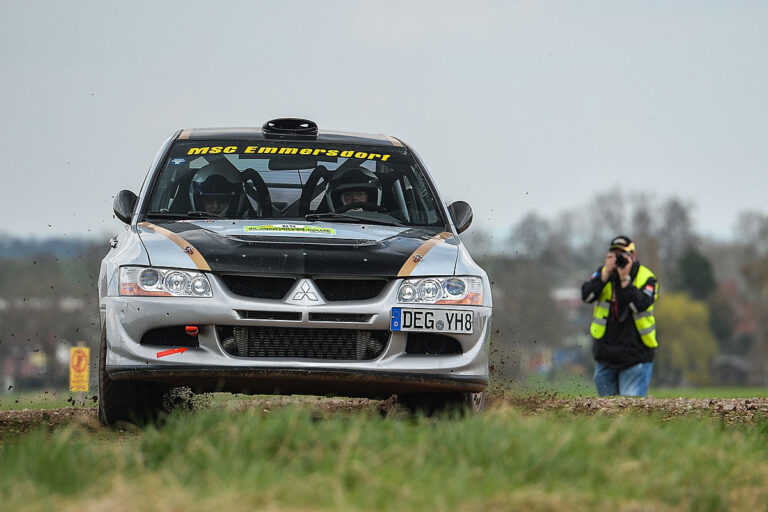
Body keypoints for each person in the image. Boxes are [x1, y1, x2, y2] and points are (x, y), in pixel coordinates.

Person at [581, 236, 659, 397]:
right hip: (606, 355)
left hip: (636, 355)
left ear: (634, 256)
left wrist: (625, 280)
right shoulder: (604, 273)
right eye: (614, 254)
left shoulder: (647, 277)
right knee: (606, 412)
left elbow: (640, 305)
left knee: (630, 411)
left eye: (623, 254)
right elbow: (586, 296)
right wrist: (604, 276)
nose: (619, 259)